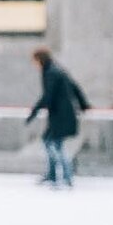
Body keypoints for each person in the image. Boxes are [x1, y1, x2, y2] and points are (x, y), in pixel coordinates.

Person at [26, 47, 90, 187]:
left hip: (60, 115)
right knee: (51, 142)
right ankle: (54, 175)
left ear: (39, 60)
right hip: (62, 114)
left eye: (34, 61)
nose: (33, 64)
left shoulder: (51, 73)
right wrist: (84, 104)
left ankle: (65, 176)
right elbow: (74, 87)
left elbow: (48, 96)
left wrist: (34, 112)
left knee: (54, 145)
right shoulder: (56, 70)